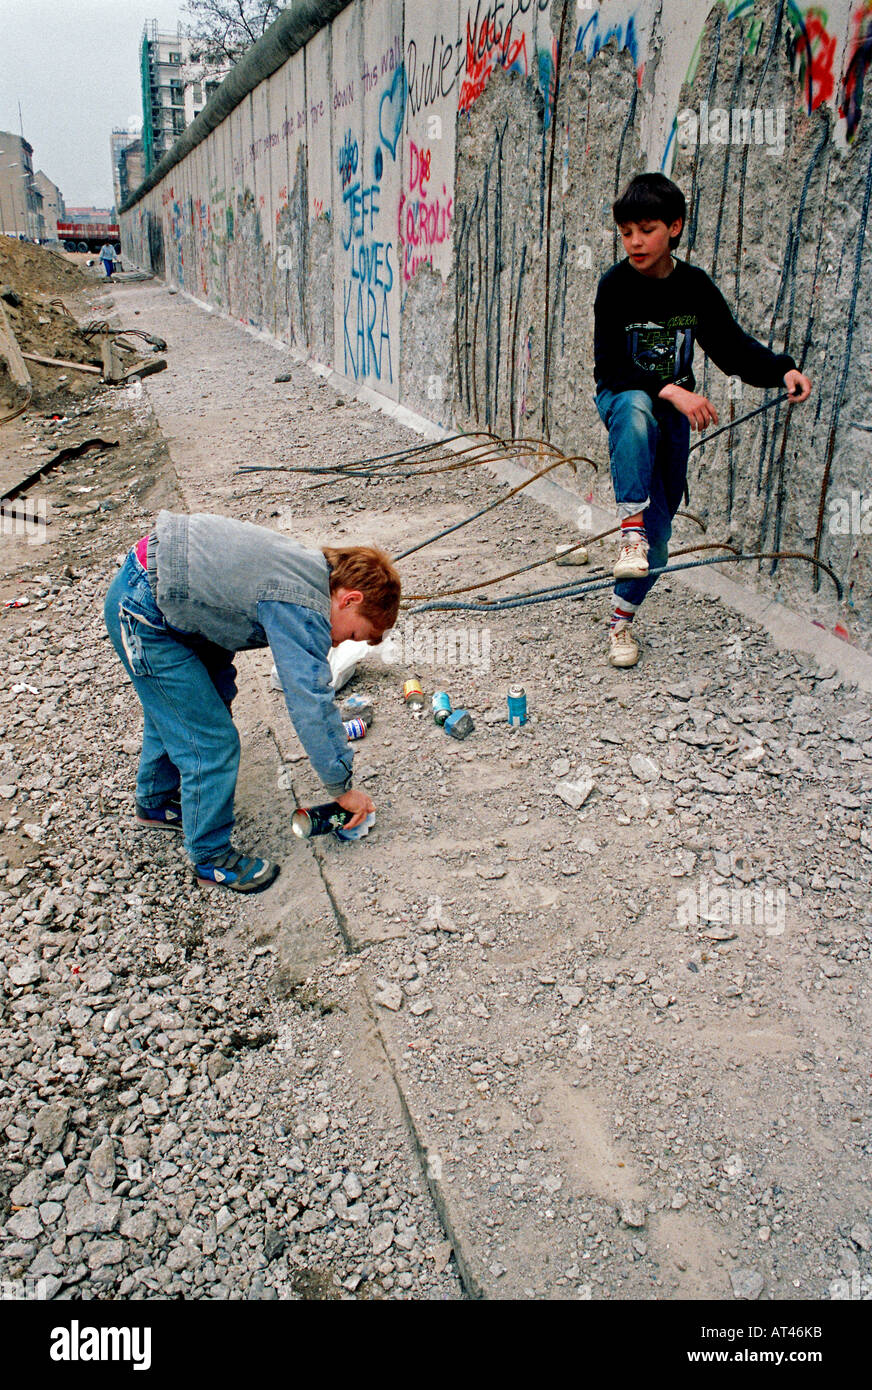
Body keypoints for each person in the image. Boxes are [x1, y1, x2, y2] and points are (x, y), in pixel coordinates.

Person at [103, 511, 401, 893]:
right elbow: (310, 700)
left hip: (164, 590)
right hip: (146, 612)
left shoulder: (311, 570)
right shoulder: (304, 606)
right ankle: (209, 857)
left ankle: (156, 801)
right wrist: (341, 787)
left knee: (192, 704)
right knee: (211, 741)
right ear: (349, 599)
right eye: (353, 633)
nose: (340, 643)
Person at [593, 173, 811, 669]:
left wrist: (783, 370)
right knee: (635, 406)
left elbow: (734, 350)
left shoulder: (693, 288)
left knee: (662, 543)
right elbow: (610, 365)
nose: (634, 242)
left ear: (675, 227)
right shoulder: (615, 286)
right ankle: (630, 529)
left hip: (667, 416)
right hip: (624, 400)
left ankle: (620, 619)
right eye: (626, 232)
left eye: (646, 229)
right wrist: (673, 389)